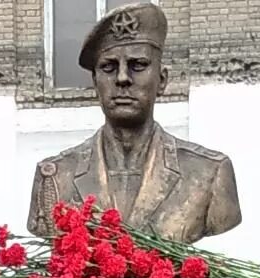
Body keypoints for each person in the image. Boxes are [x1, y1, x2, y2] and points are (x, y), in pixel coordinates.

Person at [26, 1, 240, 243]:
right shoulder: (54, 176)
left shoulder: (209, 172)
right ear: (95, 82)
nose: (123, 78)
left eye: (138, 65)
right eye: (108, 67)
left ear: (162, 80)